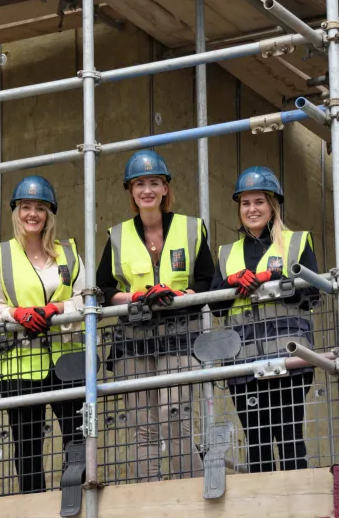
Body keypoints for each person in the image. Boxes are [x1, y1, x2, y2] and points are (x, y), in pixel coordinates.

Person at [96, 149, 214, 482]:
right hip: (134, 341)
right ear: (131, 191)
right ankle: (148, 493)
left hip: (179, 336)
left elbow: (207, 279)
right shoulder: (118, 235)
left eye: (154, 183)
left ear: (165, 188)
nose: (147, 190)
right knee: (142, 428)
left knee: (173, 417)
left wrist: (180, 296)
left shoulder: (191, 228)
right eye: (139, 184)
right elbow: (104, 288)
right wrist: (135, 297)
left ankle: (191, 488)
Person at [210, 166, 319, 472]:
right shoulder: (227, 253)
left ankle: (296, 497)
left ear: (273, 205)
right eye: (245, 203)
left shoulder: (297, 242)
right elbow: (216, 306)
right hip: (243, 364)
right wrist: (231, 283)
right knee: (256, 444)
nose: (252, 209)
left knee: (289, 438)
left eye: (259, 202)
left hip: (288, 359)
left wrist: (274, 279)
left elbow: (312, 293)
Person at [0, 175, 86, 494]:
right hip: (20, 364)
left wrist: (57, 308)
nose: (32, 214)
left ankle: (74, 497)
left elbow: (85, 299)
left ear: (49, 213)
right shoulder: (0, 254)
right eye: (26, 207)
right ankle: (34, 504)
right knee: (27, 445)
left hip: (67, 358)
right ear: (16, 211)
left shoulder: (68, 252)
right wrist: (17, 314)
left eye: (40, 208)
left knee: (77, 436)